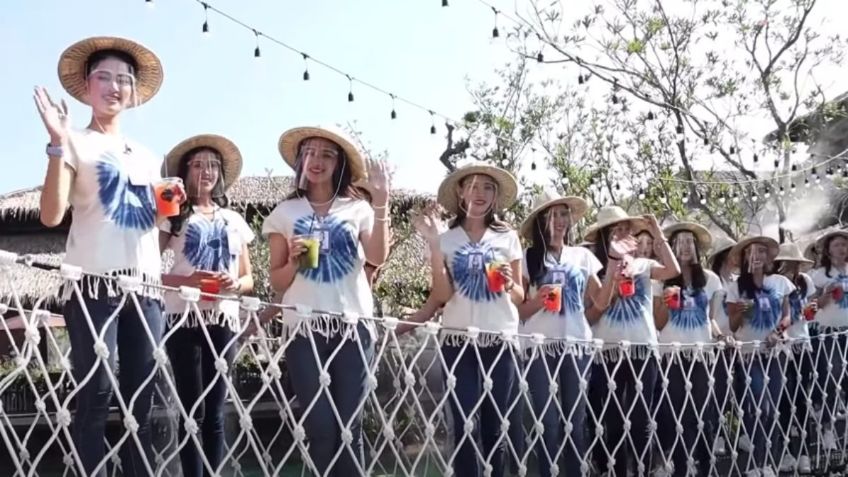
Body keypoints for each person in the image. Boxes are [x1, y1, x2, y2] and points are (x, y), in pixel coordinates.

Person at [34, 36, 183, 476]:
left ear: (134, 91)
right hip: (94, 284)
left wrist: (172, 217)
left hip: (146, 291)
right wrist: (57, 144)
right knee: (95, 392)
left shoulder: (151, 157)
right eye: (105, 77)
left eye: (124, 80)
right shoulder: (75, 142)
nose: (115, 87)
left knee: (143, 396)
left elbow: (159, 229)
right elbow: (50, 215)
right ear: (87, 84)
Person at [262, 126, 390, 476]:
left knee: (350, 430)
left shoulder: (358, 208)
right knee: (320, 428)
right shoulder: (284, 212)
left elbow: (377, 255)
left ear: (339, 164)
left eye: (327, 154)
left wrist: (381, 203)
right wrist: (292, 261)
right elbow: (277, 280)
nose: (317, 160)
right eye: (310, 152)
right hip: (303, 330)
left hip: (352, 328)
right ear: (300, 159)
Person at [415, 161, 522, 477]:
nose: (479, 192)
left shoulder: (508, 237)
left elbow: (519, 297)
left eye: (487, 187)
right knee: (463, 422)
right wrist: (435, 248)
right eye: (472, 185)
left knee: (495, 426)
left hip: (500, 339)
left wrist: (509, 282)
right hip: (457, 340)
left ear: (494, 196)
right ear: (460, 192)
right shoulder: (446, 239)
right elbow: (442, 295)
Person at [159, 134, 254, 477]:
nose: (206, 171)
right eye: (198, 164)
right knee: (190, 409)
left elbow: (248, 279)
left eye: (213, 164)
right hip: (182, 317)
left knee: (214, 410)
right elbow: (150, 273)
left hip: (223, 318)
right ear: (185, 171)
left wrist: (234, 284)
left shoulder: (234, 220)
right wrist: (188, 281)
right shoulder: (173, 216)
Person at [515, 189, 617, 477]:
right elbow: (519, 311)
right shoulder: (527, 258)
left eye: (563, 214)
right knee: (546, 421)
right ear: (540, 222)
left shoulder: (582, 256)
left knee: (576, 419)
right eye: (551, 215)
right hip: (539, 346)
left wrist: (612, 272)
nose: (559, 221)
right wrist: (538, 300)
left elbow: (600, 302)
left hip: (576, 345)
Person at [585, 207, 680, 477]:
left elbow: (672, 269)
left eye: (627, 229)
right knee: (611, 419)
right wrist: (613, 274)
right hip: (608, 351)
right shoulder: (596, 268)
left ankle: (643, 470)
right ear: (605, 236)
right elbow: (594, 310)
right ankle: (609, 470)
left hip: (643, 347)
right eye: (616, 229)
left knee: (641, 419)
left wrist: (658, 233)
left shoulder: (643, 264)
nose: (623, 234)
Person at [653, 223, 722, 477]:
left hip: (701, 355)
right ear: (672, 248)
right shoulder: (660, 279)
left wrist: (722, 336)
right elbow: (658, 323)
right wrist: (667, 303)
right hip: (671, 355)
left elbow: (710, 319)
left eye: (689, 241)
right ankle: (681, 469)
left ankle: (705, 466)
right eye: (679, 241)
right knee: (676, 416)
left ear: (696, 247)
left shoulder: (711, 280)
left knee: (703, 414)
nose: (684, 245)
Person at [725, 236, 793, 477]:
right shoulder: (735, 287)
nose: (756, 255)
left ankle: (769, 464)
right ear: (745, 257)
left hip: (775, 352)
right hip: (748, 353)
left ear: (768, 257)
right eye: (751, 251)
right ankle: (755, 462)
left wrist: (778, 332)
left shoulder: (781, 282)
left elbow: (787, 316)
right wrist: (741, 311)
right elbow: (732, 326)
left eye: (762, 251)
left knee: (772, 409)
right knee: (758, 407)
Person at [773, 242, 816, 473]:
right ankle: (786, 452)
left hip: (801, 344)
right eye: (786, 262)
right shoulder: (775, 284)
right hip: (781, 346)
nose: (790, 266)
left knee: (802, 399)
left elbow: (811, 307)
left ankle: (805, 454)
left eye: (794, 262)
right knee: (782, 400)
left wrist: (809, 311)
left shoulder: (804, 282)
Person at [808, 229, 848, 451]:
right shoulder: (820, 275)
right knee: (832, 380)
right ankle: (828, 429)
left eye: (844, 244)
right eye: (837, 245)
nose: (841, 248)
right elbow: (812, 308)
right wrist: (827, 292)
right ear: (828, 250)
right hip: (829, 334)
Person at [706, 236, 738, 456]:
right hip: (717, 342)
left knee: (734, 390)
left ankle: (735, 433)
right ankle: (715, 434)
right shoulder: (714, 281)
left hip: (738, 342)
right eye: (733, 252)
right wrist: (719, 336)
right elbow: (712, 315)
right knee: (718, 390)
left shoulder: (737, 281)